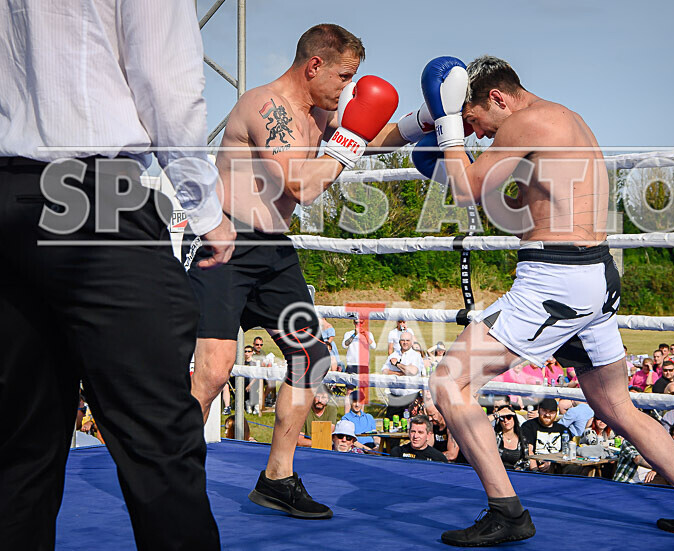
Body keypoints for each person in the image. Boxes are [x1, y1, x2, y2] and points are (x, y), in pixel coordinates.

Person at [424, 54, 674, 545]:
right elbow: (508, 199)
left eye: (476, 121)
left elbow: (467, 193)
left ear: (497, 98)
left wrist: (445, 130)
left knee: (448, 384)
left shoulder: (526, 122)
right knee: (616, 405)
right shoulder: (567, 120)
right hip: (596, 276)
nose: (479, 134)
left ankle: (507, 513)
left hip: (556, 281)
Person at [0, 2, 234, 547]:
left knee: (18, 447)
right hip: (94, 195)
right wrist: (205, 212)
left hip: (9, 198)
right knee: (157, 440)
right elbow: (166, 82)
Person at [184, 24, 404, 521]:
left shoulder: (318, 112)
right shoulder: (267, 108)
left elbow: (365, 132)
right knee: (215, 371)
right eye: (343, 77)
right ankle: (171, 471)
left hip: (272, 249)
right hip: (224, 242)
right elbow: (303, 185)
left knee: (313, 356)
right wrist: (346, 144)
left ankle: (276, 478)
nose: (347, 89)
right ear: (314, 66)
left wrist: (425, 122)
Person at [382, 331, 424, 418]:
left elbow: (413, 372)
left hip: (411, 398)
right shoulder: (393, 355)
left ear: (412, 342)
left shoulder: (416, 356)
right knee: (391, 424)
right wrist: (399, 373)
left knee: (412, 425)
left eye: (407, 340)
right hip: (395, 398)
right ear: (399, 342)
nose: (405, 342)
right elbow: (384, 371)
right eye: (403, 340)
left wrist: (397, 364)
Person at [520, 398, 568, 473]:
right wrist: (535, 471)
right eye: (544, 411)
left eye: (551, 412)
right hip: (537, 466)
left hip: (557, 465)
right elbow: (528, 451)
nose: (547, 415)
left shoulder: (563, 430)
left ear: (556, 413)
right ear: (538, 409)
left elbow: (566, 451)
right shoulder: (528, 426)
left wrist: (550, 462)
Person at [493, 406, 531, 471]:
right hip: (496, 472)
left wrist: (518, 469)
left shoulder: (522, 439)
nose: (505, 420)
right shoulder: (494, 437)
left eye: (508, 417)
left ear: (514, 419)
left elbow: (526, 461)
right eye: (502, 418)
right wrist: (496, 415)